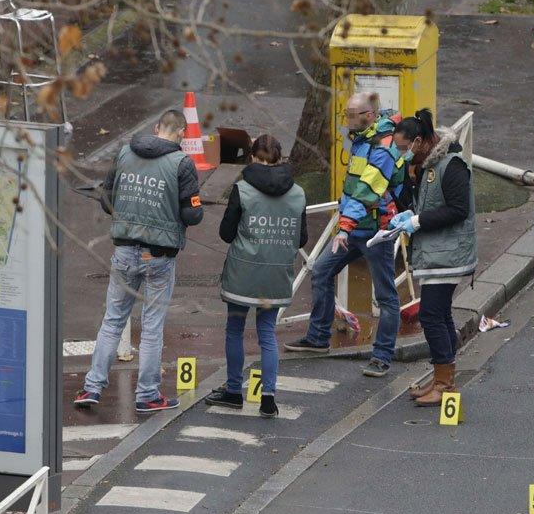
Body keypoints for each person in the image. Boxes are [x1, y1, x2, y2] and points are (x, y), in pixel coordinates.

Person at [74, 109, 204, 413]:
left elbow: (107, 201)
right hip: (158, 256)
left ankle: (92, 387)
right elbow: (191, 215)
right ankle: (147, 394)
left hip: (123, 251)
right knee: (151, 327)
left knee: (112, 321)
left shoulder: (124, 154)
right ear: (182, 134)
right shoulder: (182, 165)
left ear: (156, 128)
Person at [285, 92, 405, 378]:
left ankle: (382, 355)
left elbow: (365, 190)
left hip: (374, 231)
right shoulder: (363, 139)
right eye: (347, 115)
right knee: (321, 271)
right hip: (354, 228)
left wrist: (345, 226)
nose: (347, 121)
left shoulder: (383, 147)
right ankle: (317, 338)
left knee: (386, 296)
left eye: (352, 115)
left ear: (370, 116)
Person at [205, 135, 308, 419]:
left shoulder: (242, 189)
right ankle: (268, 398)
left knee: (235, 329)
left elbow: (226, 233)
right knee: (267, 334)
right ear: (280, 160)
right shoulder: (298, 193)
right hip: (276, 275)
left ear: (252, 157)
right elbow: (301, 238)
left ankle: (234, 391)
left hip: (243, 273)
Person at [389, 108, 477, 407]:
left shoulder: (451, 166)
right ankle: (444, 374)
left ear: (420, 141)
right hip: (436, 253)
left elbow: (457, 209)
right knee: (440, 315)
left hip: (448, 255)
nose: (402, 154)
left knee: (430, 316)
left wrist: (418, 221)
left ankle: (444, 384)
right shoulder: (426, 166)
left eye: (404, 149)